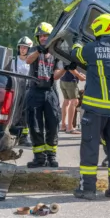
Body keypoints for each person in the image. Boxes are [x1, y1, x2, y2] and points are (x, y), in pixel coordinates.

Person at [70, 13, 110, 200]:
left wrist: (77, 41)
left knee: (90, 146)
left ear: (100, 29)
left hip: (95, 109)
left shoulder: (92, 48)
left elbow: (75, 54)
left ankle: (87, 189)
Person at [25, 22, 69, 168]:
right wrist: (38, 51)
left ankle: (51, 156)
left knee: (53, 124)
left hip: (50, 92)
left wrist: (66, 69)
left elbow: (56, 76)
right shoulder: (33, 50)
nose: (43, 38)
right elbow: (28, 60)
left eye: (46, 36)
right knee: (35, 126)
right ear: (37, 38)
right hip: (34, 91)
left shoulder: (56, 53)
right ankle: (39, 157)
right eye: (41, 36)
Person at [11, 36, 33, 147]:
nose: (23, 49)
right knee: (14, 112)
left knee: (26, 114)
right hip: (16, 88)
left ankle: (24, 137)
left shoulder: (31, 61)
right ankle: (13, 133)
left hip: (28, 89)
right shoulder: (13, 60)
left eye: (25, 47)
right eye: (21, 47)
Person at [59, 68, 86, 134]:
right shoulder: (72, 57)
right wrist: (79, 76)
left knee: (66, 101)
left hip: (63, 79)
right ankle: (70, 127)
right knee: (75, 101)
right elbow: (71, 67)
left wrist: (79, 74)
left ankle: (63, 125)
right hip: (71, 81)